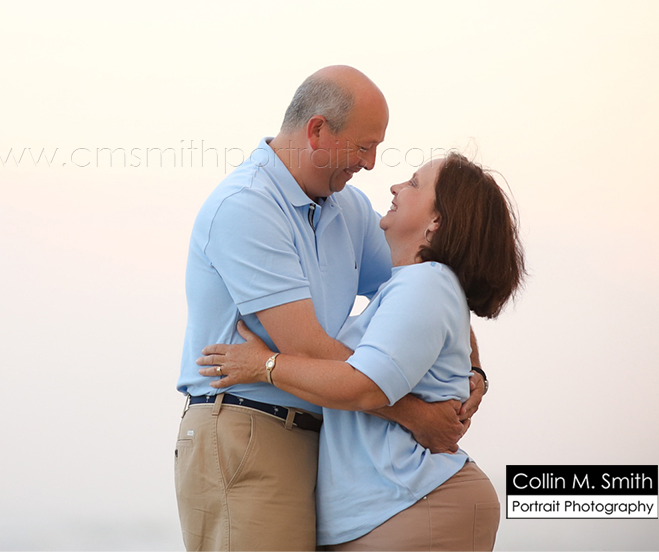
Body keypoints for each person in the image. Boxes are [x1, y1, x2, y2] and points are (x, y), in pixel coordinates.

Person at [175, 67, 487, 552]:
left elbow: (429, 288)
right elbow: (306, 348)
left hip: (318, 437)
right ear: (318, 130)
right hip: (250, 429)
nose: (370, 164)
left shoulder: (352, 211)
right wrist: (414, 414)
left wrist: (474, 369)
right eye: (364, 146)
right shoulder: (246, 206)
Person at [198, 153, 525, 551]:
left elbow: (363, 385)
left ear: (436, 221)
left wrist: (264, 365)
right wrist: (473, 372)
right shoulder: (415, 285)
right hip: (396, 507)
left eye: (414, 184)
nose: (395, 187)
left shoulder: (427, 284)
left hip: (415, 502)